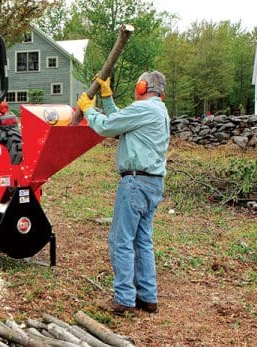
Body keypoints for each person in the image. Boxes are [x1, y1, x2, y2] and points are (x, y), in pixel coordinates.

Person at [76, 71, 170, 315]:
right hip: (153, 183)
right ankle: (147, 297)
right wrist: (107, 98)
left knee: (121, 241)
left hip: (135, 183)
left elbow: (108, 126)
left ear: (141, 87)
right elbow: (121, 120)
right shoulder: (159, 110)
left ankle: (124, 299)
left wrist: (88, 109)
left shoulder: (144, 109)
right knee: (142, 241)